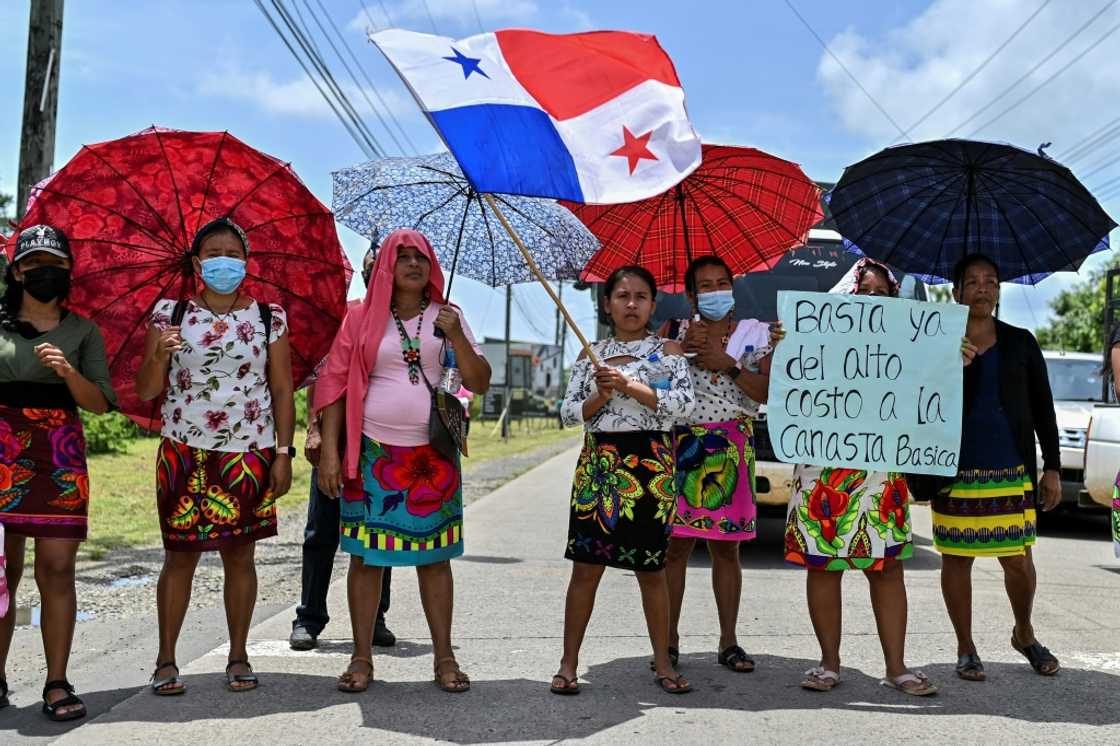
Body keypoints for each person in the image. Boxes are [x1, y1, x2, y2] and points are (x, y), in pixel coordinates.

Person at [315, 228, 491, 694]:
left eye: (422, 257)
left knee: (435, 559)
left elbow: (481, 380)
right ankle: (361, 657)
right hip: (372, 452)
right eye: (403, 256)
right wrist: (330, 452)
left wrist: (457, 337)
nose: (414, 264)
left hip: (433, 456)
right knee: (366, 559)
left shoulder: (448, 316)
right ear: (386, 266)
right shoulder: (358, 318)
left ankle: (445, 657)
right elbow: (333, 387)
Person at [136, 217, 295, 695]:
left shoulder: (270, 316)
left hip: (249, 453)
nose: (224, 261)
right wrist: (159, 356)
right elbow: (146, 389)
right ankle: (166, 660)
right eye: (214, 253)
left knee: (239, 556)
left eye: (234, 253)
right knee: (179, 557)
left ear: (245, 262)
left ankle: (238, 655)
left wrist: (283, 453)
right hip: (183, 449)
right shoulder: (170, 314)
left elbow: (283, 390)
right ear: (197, 262)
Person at [784, 258, 939, 696]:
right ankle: (829, 664)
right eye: (864, 292)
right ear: (847, 296)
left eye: (882, 293)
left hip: (880, 472)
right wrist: (787, 345)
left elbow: (928, 392)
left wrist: (950, 360)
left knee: (887, 569)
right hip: (823, 471)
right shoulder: (815, 341)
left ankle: (897, 667)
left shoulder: (909, 346)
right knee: (824, 567)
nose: (873, 301)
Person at [552, 265, 696, 696]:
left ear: (653, 304)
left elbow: (682, 407)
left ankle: (664, 663)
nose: (630, 304)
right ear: (607, 303)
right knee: (585, 569)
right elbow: (567, 413)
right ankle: (568, 663)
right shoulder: (588, 354)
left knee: (651, 571)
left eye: (640, 296)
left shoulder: (667, 350)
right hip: (599, 468)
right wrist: (600, 395)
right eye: (621, 296)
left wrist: (630, 386)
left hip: (650, 468)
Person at [0, 225, 116, 721]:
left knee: (57, 570)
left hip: (59, 456)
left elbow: (102, 404)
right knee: (1, 574)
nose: (44, 272)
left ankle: (56, 682)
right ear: (17, 271)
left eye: (56, 263)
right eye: (33, 263)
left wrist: (68, 373)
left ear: (69, 272)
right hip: (1, 455)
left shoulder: (83, 332)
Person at [935, 253, 1061, 681]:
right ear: (956, 292)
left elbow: (1044, 408)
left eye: (990, 280)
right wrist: (950, 364)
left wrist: (1053, 469)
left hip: (1011, 469)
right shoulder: (937, 342)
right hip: (954, 469)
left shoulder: (1021, 341)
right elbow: (919, 397)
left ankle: (1023, 632)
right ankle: (965, 647)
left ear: (999, 291)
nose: (982, 288)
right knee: (957, 560)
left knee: (1018, 562)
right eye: (972, 281)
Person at [660, 256, 772, 674]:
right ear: (690, 295)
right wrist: (678, 355)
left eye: (722, 282)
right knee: (676, 549)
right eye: (704, 286)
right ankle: (667, 641)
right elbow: (652, 385)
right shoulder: (672, 332)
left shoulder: (756, 333)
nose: (715, 291)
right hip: (681, 444)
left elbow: (763, 391)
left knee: (727, 549)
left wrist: (727, 363)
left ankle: (729, 641)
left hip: (733, 443)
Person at [290, 248, 394, 651]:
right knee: (322, 531)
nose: (376, 274)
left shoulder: (404, 323)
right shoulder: (346, 314)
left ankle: (376, 617)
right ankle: (309, 617)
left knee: (380, 534)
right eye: (371, 267)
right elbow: (324, 376)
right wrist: (315, 429)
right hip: (339, 437)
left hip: (385, 444)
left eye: (382, 267)